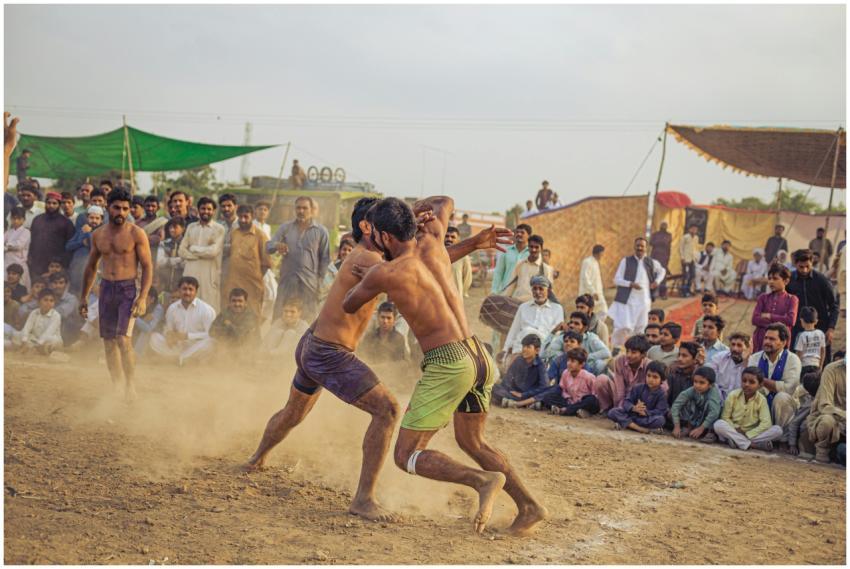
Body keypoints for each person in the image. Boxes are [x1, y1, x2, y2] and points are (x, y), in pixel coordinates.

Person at [246, 195, 515, 525]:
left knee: (294, 411)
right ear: (373, 230)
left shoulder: (376, 257)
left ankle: (256, 458)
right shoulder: (370, 258)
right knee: (387, 410)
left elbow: (424, 270)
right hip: (329, 352)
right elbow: (424, 271)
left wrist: (417, 220)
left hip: (314, 345)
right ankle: (363, 500)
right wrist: (443, 233)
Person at [342, 196, 545, 536]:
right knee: (473, 442)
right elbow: (444, 201)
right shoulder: (434, 238)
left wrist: (369, 275)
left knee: (406, 454)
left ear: (386, 237)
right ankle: (529, 506)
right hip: (479, 355)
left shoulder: (386, 272)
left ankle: (482, 481)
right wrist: (415, 211)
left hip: (449, 362)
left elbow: (350, 304)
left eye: (375, 234)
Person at [79, 188, 153, 402]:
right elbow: (91, 267)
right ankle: (116, 387)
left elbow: (148, 267)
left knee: (123, 339)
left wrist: (142, 297)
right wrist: (83, 297)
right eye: (117, 207)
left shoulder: (136, 233)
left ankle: (130, 386)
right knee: (108, 342)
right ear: (107, 207)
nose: (121, 212)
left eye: (125, 208)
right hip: (106, 289)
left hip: (127, 290)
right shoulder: (98, 234)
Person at [267, 196, 331, 321]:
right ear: (294, 210)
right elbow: (268, 246)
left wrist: (320, 282)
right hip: (287, 280)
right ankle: (277, 340)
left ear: (312, 210)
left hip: (310, 283)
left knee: (308, 320)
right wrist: (277, 245)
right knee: (280, 316)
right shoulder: (285, 228)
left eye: (304, 208)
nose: (301, 211)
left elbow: (325, 259)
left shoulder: (321, 231)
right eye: (298, 208)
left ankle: (306, 341)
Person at [608, 237, 665, 347]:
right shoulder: (626, 261)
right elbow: (616, 280)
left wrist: (657, 282)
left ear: (646, 248)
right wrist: (630, 284)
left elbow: (662, 271)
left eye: (642, 246)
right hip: (627, 300)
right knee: (622, 325)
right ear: (634, 247)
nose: (639, 248)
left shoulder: (651, 262)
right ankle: (616, 347)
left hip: (644, 300)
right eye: (637, 245)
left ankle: (638, 348)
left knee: (641, 326)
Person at [786, 249, 839, 363]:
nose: (804, 270)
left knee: (822, 362)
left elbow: (834, 306)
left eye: (807, 266)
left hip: (820, 328)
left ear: (812, 262)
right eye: (801, 267)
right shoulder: (789, 281)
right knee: (796, 361)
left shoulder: (822, 280)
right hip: (797, 329)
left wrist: (830, 328)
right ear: (795, 264)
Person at [149, 276, 216, 365]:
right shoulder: (172, 309)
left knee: (211, 342)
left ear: (196, 291)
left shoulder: (206, 310)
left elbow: (211, 334)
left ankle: (180, 359)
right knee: (154, 338)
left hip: (196, 346)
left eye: (190, 289)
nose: (187, 292)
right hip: (178, 346)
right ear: (179, 290)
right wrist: (169, 336)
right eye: (184, 289)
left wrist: (187, 336)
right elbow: (169, 330)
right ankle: (182, 359)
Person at [747, 323, 802, 431]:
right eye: (766, 338)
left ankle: (782, 439)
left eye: (772, 339)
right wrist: (770, 385)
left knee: (781, 397)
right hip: (761, 400)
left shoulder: (793, 359)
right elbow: (750, 383)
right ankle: (757, 432)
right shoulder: (755, 358)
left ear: (783, 342)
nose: (767, 342)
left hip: (786, 406)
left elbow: (788, 389)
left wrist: (761, 380)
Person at [714, 367, 783, 451]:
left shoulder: (761, 400)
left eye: (752, 382)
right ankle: (753, 445)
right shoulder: (733, 395)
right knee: (718, 424)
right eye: (744, 381)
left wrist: (748, 434)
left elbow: (766, 423)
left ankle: (737, 441)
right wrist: (735, 427)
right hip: (734, 430)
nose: (746, 384)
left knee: (778, 430)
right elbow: (725, 417)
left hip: (752, 433)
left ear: (760, 385)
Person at [502, 275, 564, 368]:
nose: (537, 292)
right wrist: (505, 349)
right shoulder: (523, 307)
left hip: (543, 348)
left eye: (541, 289)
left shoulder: (557, 309)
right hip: (521, 347)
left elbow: (558, 334)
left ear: (548, 291)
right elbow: (514, 330)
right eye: (534, 289)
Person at [178, 197, 226, 313]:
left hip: (209, 274)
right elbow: (182, 251)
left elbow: (213, 252)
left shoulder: (219, 229)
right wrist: (197, 256)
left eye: (209, 209)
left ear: (214, 211)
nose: (206, 211)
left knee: (209, 308)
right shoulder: (191, 227)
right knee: (188, 306)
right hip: (190, 272)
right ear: (198, 210)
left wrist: (193, 248)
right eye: (203, 208)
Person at [223, 205, 271, 317]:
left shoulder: (260, 235)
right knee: (233, 313)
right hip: (234, 282)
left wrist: (255, 276)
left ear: (252, 216)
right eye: (240, 217)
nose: (243, 220)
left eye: (246, 217)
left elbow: (266, 262)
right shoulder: (235, 233)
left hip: (253, 284)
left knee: (253, 314)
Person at [593, 334, 653, 413]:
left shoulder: (649, 365)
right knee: (601, 379)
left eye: (633, 352)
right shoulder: (620, 360)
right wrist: (620, 407)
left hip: (639, 399)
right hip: (621, 396)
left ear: (643, 355)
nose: (629, 355)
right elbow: (620, 389)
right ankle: (607, 409)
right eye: (627, 351)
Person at [607, 360, 668, 434]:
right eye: (648, 376)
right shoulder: (638, 387)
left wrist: (646, 412)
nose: (651, 379)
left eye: (655, 377)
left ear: (662, 379)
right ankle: (641, 429)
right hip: (633, 415)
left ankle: (627, 425)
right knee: (613, 412)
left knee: (660, 420)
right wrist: (634, 408)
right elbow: (627, 401)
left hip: (646, 418)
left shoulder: (662, 394)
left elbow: (660, 411)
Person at [750, 263, 798, 352]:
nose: (771, 281)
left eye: (775, 279)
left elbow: (791, 320)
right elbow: (755, 319)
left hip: (780, 341)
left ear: (786, 281)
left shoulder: (792, 299)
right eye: (769, 279)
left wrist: (769, 316)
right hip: (761, 339)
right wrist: (782, 320)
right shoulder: (763, 298)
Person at [806, 359, 846, 463]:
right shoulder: (831, 369)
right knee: (827, 420)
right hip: (835, 420)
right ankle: (822, 452)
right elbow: (825, 406)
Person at [28, 192, 75, 278]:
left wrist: (63, 264)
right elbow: (31, 241)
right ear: (45, 204)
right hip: (37, 262)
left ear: (59, 205)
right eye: (49, 203)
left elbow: (70, 245)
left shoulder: (66, 222)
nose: (51, 205)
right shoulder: (37, 220)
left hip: (56, 265)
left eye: (54, 203)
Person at [542, 348, 600, 417]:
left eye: (573, 361)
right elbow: (563, 389)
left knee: (591, 400)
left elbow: (595, 395)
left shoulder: (589, 377)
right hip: (570, 402)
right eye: (568, 360)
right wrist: (567, 398)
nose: (569, 363)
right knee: (548, 397)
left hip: (583, 403)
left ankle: (566, 410)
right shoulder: (565, 373)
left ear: (581, 364)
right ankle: (575, 411)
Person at [494, 334, 549, 407]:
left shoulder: (540, 365)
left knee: (547, 393)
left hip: (529, 395)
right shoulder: (518, 360)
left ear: (537, 350)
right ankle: (522, 403)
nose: (524, 349)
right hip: (513, 393)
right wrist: (511, 391)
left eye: (528, 347)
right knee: (493, 387)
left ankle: (515, 402)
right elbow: (507, 379)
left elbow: (544, 387)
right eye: (523, 346)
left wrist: (523, 394)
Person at [670, 366, 722, 442]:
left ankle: (710, 432)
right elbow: (676, 405)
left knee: (711, 407)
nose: (697, 385)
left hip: (708, 421)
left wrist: (701, 428)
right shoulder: (692, 390)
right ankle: (689, 427)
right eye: (695, 381)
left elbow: (714, 413)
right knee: (685, 402)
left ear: (710, 385)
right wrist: (676, 426)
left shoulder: (713, 393)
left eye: (702, 383)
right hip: (696, 418)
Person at [65, 205, 104, 295]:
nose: (94, 220)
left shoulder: (103, 233)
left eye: (97, 218)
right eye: (91, 218)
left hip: (93, 273)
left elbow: (94, 248)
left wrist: (88, 234)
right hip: (76, 271)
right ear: (87, 218)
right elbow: (68, 246)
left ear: (101, 220)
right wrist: (81, 243)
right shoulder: (81, 231)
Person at [503, 235, 554, 302]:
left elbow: (549, 291)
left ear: (541, 248)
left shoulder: (546, 269)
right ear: (528, 247)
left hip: (535, 305)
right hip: (517, 303)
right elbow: (511, 286)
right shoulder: (520, 264)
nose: (533, 250)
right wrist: (504, 301)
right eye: (531, 247)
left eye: (536, 247)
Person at [13, 288, 63, 355]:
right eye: (45, 300)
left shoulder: (56, 315)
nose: (48, 303)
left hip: (48, 340)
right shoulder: (34, 312)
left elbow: (48, 333)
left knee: (53, 341)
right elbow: (27, 327)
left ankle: (33, 349)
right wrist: (24, 341)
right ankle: (30, 348)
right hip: (35, 339)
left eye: (51, 301)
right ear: (39, 301)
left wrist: (38, 344)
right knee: (16, 335)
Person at [210, 287, 260, 353]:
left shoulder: (250, 316)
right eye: (234, 301)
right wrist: (229, 333)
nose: (237, 304)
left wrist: (229, 325)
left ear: (245, 303)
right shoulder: (225, 313)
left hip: (249, 351)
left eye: (240, 301)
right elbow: (212, 331)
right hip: (229, 348)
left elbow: (239, 335)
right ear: (229, 302)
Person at [782, 372, 820, 456]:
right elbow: (794, 423)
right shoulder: (810, 404)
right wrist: (792, 445)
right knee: (805, 424)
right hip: (807, 436)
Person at [359, 301, 408, 365]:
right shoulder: (369, 337)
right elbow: (362, 358)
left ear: (394, 320)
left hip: (391, 373)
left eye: (389, 318)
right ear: (378, 317)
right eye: (382, 317)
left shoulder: (399, 338)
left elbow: (400, 363)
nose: (385, 321)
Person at [708, 332, 752, 400]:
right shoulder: (719, 358)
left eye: (739, 345)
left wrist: (745, 361)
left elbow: (750, 386)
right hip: (719, 401)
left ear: (747, 348)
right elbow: (707, 377)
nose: (735, 349)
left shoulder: (753, 362)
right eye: (733, 345)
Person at [491, 223, 531, 295]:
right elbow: (499, 272)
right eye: (517, 232)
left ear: (529, 236)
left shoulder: (532, 254)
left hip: (524, 294)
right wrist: (494, 290)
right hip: (506, 292)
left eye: (522, 232)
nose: (519, 234)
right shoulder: (506, 251)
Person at [666, 341, 701, 412]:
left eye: (684, 356)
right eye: (679, 355)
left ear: (695, 359)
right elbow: (666, 398)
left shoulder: (699, 376)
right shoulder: (673, 373)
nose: (680, 359)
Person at [156, 217, 186, 296]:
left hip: (182, 286)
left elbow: (186, 264)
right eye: (170, 227)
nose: (172, 230)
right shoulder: (164, 243)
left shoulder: (187, 244)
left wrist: (168, 261)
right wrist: (179, 259)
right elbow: (160, 262)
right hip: (164, 285)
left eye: (175, 227)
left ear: (183, 228)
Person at [794, 307, 826, 377]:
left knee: (804, 385)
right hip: (816, 365)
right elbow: (823, 351)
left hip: (804, 366)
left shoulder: (801, 335)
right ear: (816, 321)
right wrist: (821, 365)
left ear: (802, 320)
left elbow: (798, 353)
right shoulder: (821, 333)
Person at [4, 207, 31, 289]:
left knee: (20, 287)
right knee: (6, 286)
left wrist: (5, 248)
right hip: (7, 263)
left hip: (19, 263)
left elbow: (19, 245)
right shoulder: (8, 232)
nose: (16, 221)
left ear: (23, 219)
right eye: (13, 218)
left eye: (19, 219)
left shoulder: (26, 232)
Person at [132, 288, 163, 357]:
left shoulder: (158, 309)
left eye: (144, 297)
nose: (140, 299)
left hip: (156, 338)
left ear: (152, 299)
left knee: (145, 332)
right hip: (136, 333)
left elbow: (149, 329)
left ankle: (136, 356)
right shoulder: (137, 305)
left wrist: (133, 318)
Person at [578, 244, 608, 318]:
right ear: (597, 253)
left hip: (598, 293)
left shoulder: (596, 262)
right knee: (586, 314)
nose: (602, 255)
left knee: (603, 311)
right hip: (588, 293)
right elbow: (585, 278)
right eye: (602, 254)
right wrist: (593, 292)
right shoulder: (587, 262)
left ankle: (595, 327)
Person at [445, 226, 473, 300]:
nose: (449, 239)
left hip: (455, 298)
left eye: (453, 237)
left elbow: (467, 277)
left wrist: (461, 292)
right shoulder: (434, 253)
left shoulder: (463, 257)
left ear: (458, 239)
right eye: (446, 236)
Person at [649, 222, 672, 299]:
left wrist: (668, 258)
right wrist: (660, 242)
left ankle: (662, 293)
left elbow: (669, 247)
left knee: (663, 276)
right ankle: (652, 293)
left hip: (664, 257)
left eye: (665, 226)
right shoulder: (655, 234)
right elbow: (651, 242)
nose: (664, 227)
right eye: (662, 225)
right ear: (660, 226)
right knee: (654, 274)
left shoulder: (669, 235)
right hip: (655, 256)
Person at [679, 224, 700, 296]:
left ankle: (688, 290)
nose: (694, 230)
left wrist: (696, 257)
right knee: (686, 276)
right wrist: (682, 258)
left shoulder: (696, 238)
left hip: (692, 260)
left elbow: (696, 248)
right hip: (686, 260)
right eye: (693, 229)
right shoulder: (685, 237)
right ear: (689, 229)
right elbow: (681, 248)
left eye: (695, 229)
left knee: (692, 276)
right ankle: (683, 292)